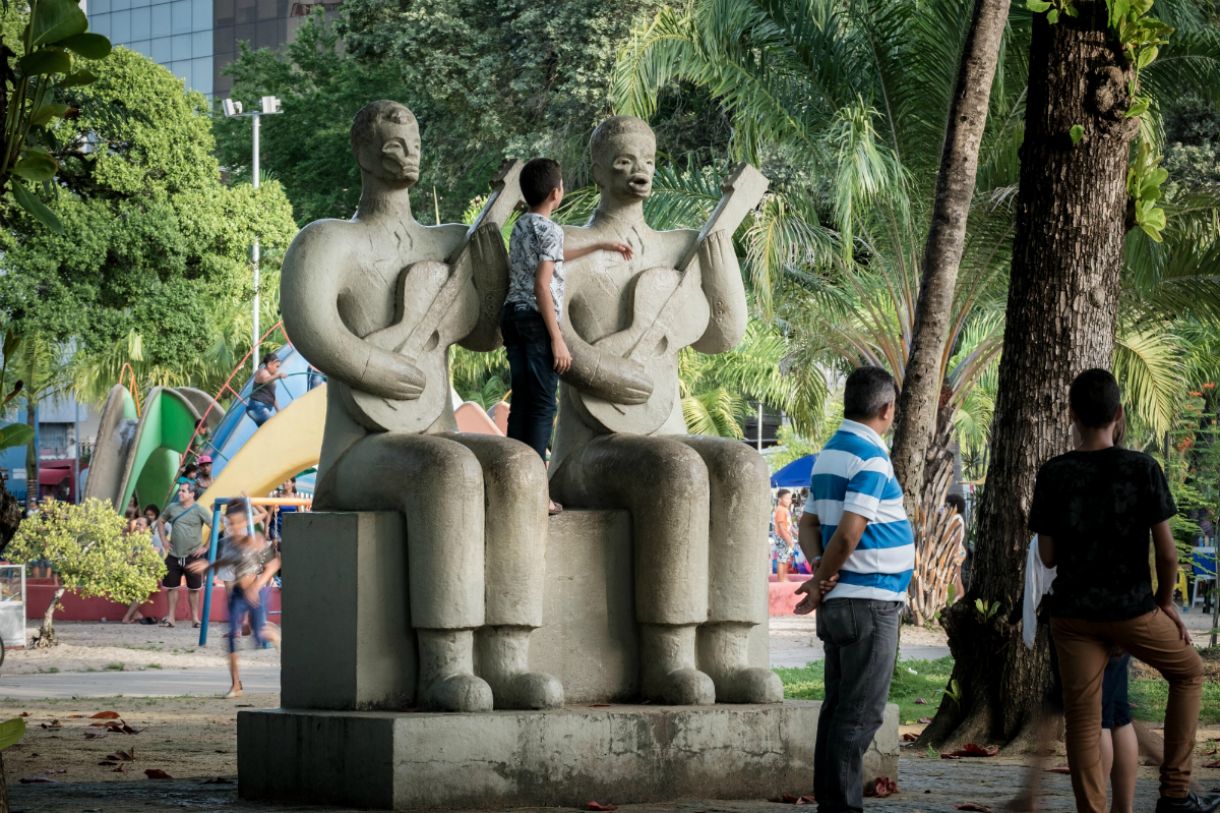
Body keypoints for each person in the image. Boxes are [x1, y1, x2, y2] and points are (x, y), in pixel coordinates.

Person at [1029, 368, 1215, 813]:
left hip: (1072, 616)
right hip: (1133, 611)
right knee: (1189, 674)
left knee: (1084, 720)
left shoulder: (1053, 473)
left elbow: (1049, 557)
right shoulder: (1142, 469)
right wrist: (1166, 604)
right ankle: (1173, 793)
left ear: (1071, 414)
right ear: (1119, 414)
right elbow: (1168, 556)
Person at [794, 366, 914, 813]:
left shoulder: (830, 453)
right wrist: (824, 575)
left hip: (846, 602)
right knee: (859, 715)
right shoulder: (871, 457)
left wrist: (819, 574)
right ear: (887, 409)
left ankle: (831, 802)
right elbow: (848, 534)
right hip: (870, 602)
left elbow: (809, 524)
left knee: (839, 708)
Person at [501, 156, 631, 514]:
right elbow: (543, 284)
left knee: (523, 406)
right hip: (534, 320)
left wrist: (600, 245)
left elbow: (553, 257)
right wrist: (557, 337)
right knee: (543, 406)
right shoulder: (550, 230)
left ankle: (513, 484)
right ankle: (537, 494)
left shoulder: (524, 225)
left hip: (512, 317)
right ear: (557, 192)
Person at [189, 500, 280, 698]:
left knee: (259, 636)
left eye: (239, 523)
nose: (235, 527)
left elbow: (273, 565)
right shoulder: (226, 542)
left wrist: (257, 586)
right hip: (238, 594)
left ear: (246, 522)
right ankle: (235, 684)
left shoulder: (255, 541)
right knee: (231, 636)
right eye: (231, 523)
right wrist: (208, 566)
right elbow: (226, 560)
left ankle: (273, 633)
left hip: (256, 593)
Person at [157, 482, 212, 628]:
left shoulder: (200, 510)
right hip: (174, 555)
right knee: (171, 587)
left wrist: (206, 547)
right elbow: (160, 521)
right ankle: (171, 618)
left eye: (184, 491)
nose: (180, 493)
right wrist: (164, 541)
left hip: (193, 556)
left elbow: (214, 525)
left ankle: (195, 619)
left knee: (194, 589)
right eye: (180, 490)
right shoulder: (172, 508)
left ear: (192, 494)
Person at [247, 353, 287, 426]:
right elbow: (265, 380)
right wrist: (278, 375)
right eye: (277, 366)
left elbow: (272, 396)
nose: (278, 369)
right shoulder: (262, 372)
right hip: (258, 407)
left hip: (262, 408)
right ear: (269, 365)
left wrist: (278, 410)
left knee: (268, 431)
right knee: (273, 426)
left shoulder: (271, 376)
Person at [944, 493, 968, 601]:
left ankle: (959, 595)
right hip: (956, 550)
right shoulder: (954, 517)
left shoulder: (957, 519)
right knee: (955, 574)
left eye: (949, 505)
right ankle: (958, 595)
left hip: (956, 551)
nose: (946, 507)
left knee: (955, 574)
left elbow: (957, 539)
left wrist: (952, 554)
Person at [773, 489, 796, 581]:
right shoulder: (781, 510)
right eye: (787, 498)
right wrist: (788, 539)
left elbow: (788, 526)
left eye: (790, 498)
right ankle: (781, 578)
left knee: (785, 558)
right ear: (780, 499)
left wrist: (796, 533)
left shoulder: (785, 510)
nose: (789, 501)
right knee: (781, 558)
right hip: (782, 537)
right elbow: (781, 527)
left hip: (785, 536)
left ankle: (784, 577)